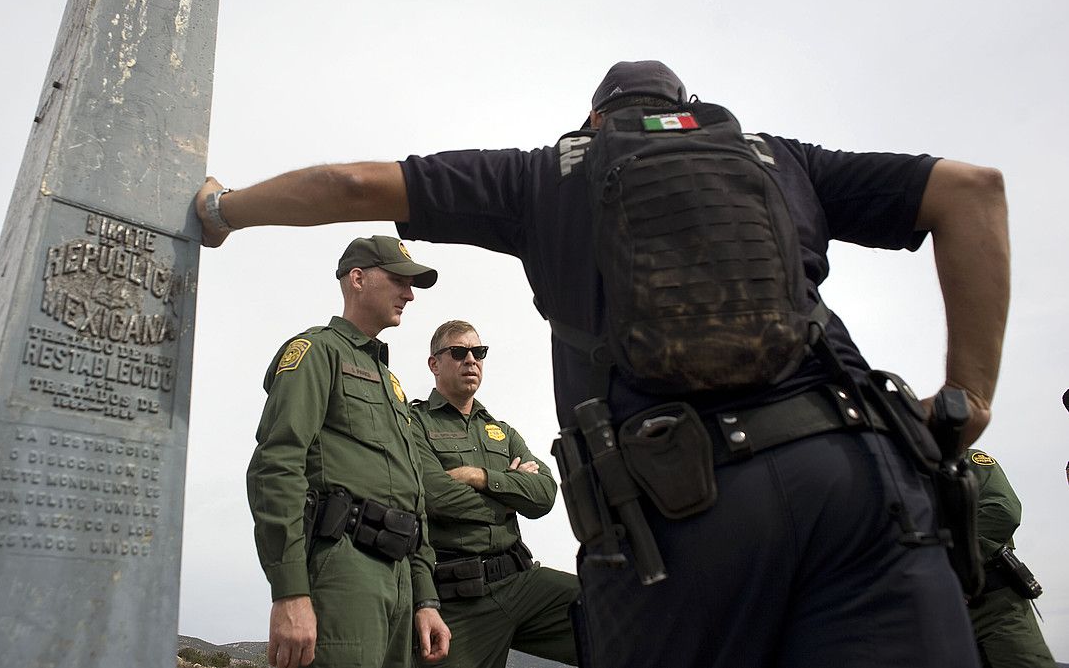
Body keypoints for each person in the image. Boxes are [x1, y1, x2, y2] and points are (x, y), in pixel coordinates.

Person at [198, 60, 1010, 668]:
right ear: (687, 110)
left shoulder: (546, 174)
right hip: (860, 483)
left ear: (592, 119)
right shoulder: (777, 157)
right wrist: (967, 397)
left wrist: (224, 210)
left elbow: (347, 182)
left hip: (676, 517)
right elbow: (972, 191)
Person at [246, 235, 451, 668]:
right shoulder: (318, 352)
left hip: (399, 581)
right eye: (398, 280)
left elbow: (412, 495)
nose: (409, 294)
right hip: (344, 570)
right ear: (357, 278)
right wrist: (290, 590)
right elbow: (276, 465)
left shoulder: (392, 384)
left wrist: (425, 598)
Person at [411, 319, 579, 668]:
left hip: (522, 583)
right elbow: (433, 494)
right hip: (460, 600)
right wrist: (510, 494)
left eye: (479, 352)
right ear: (434, 363)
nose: (471, 360)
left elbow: (545, 494)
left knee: (615, 607)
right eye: (459, 352)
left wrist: (481, 476)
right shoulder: (414, 424)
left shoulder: (502, 432)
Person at [964, 450, 1055, 668]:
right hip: (934, 614)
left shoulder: (966, 461)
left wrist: (947, 566)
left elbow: (1002, 511)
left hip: (994, 604)